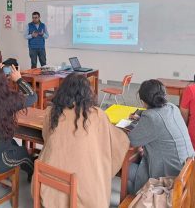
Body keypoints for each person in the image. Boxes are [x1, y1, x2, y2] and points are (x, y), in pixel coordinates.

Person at [36, 73, 130, 207]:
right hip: (86, 195)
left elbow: (46, 137)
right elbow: (118, 142)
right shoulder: (97, 115)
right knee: (98, 163)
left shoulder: (52, 112)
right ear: (88, 93)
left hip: (49, 185)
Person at [127, 79, 195, 194]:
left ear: (143, 101)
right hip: (189, 174)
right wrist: (141, 116)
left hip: (171, 181)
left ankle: (138, 200)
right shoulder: (173, 108)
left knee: (127, 171)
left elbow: (132, 140)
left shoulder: (151, 117)